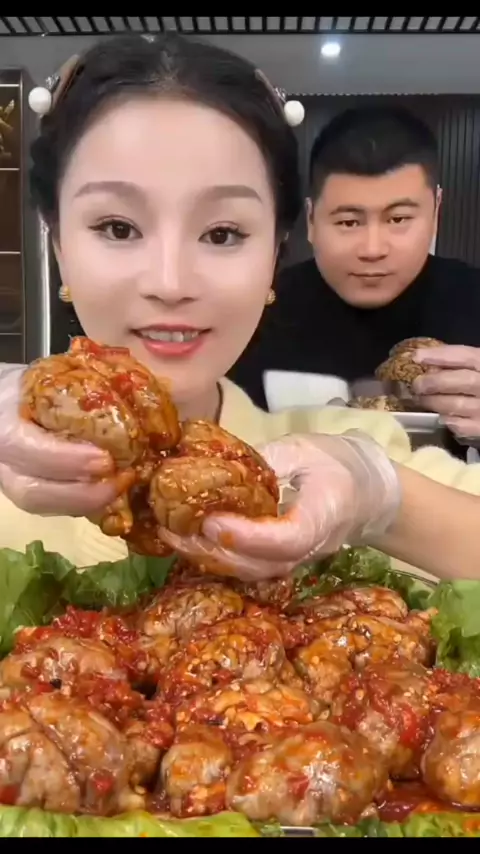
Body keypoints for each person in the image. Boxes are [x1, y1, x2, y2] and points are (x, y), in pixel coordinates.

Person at [0, 33, 480, 583]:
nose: (170, 283)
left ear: (274, 253)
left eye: (222, 233)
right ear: (59, 244)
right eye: (118, 228)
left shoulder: (356, 446)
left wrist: (382, 498)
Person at [228, 105, 480, 450]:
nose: (373, 249)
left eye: (398, 219)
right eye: (349, 222)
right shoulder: (254, 316)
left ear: (435, 211)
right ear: (311, 219)